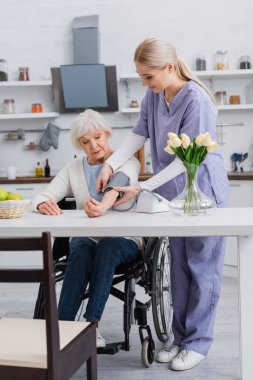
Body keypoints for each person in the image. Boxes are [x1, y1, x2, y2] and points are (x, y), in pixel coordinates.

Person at [96, 38, 230, 370]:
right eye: (141, 77)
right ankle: (181, 338)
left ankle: (198, 343)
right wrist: (111, 164)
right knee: (180, 269)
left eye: (148, 76)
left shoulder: (197, 101)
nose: (145, 84)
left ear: (169, 67)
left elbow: (185, 160)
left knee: (202, 270)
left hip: (203, 194)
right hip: (173, 196)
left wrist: (140, 186)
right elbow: (138, 134)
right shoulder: (155, 95)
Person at [31, 109, 142, 347]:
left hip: (124, 240)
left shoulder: (128, 161)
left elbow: (119, 183)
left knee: (108, 246)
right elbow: (41, 196)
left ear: (107, 134)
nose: (94, 145)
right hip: (88, 239)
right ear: (80, 145)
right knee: (79, 246)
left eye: (98, 137)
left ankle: (92, 326)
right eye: (86, 142)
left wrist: (103, 206)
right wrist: (42, 203)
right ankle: (62, 330)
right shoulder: (73, 168)